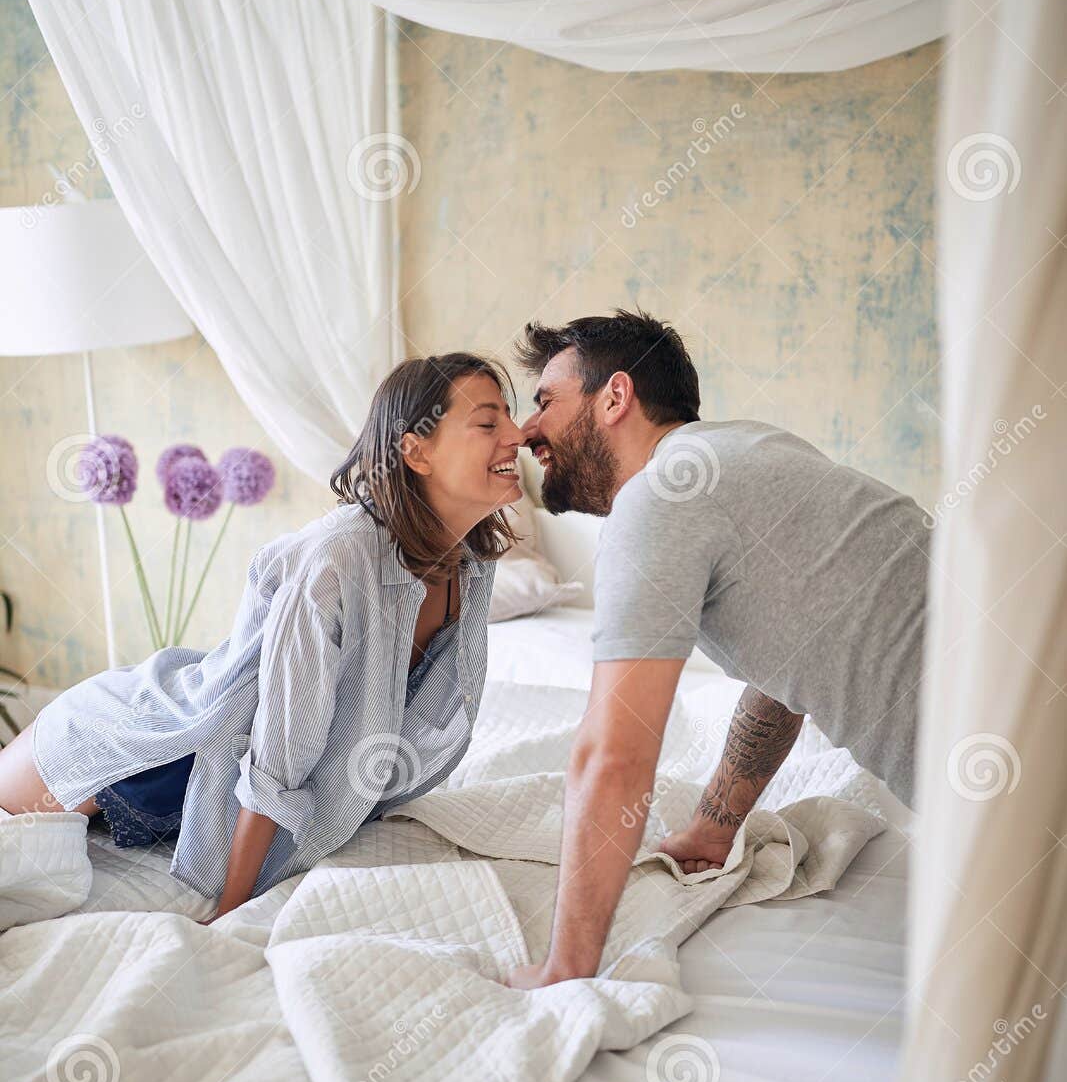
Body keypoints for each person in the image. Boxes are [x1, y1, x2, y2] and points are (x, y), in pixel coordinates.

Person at [0, 354, 523, 920]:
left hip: (201, 776)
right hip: (153, 750)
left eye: (512, 418)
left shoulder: (472, 557)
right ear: (415, 451)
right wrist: (231, 908)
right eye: (489, 423)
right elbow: (281, 745)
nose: (516, 436)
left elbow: (420, 718)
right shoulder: (340, 556)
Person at [505, 309, 929, 990]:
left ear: (615, 397)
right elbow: (786, 664)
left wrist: (565, 970)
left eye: (545, 403)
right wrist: (712, 826)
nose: (526, 431)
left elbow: (615, 753)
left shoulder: (657, 500)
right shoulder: (752, 449)